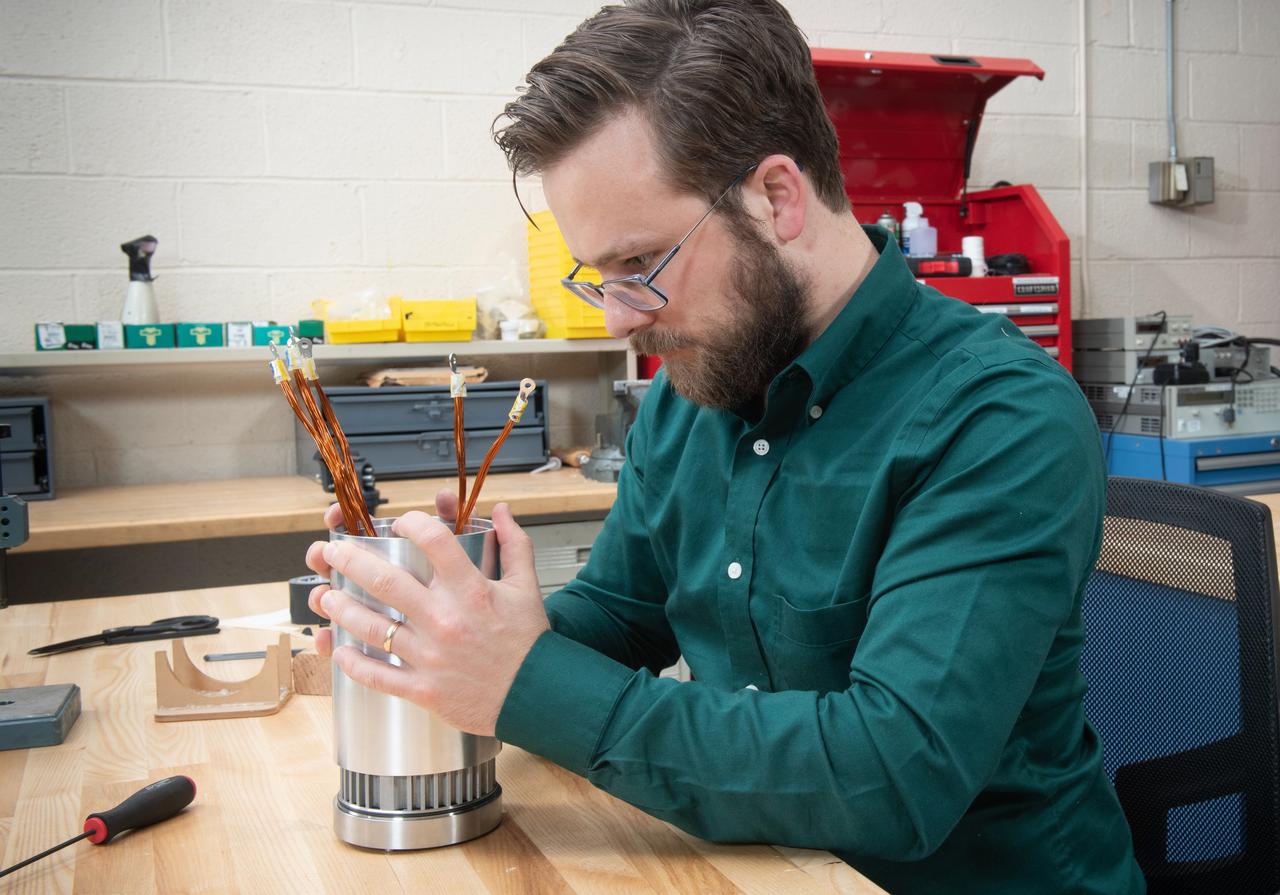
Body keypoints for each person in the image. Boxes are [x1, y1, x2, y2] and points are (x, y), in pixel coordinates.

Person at [304, 1, 1145, 892]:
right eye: (598, 278)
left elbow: (893, 772)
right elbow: (627, 613)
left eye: (644, 265)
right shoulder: (692, 391)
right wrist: (455, 624)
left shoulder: (998, 417)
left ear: (777, 196)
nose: (623, 320)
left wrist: (527, 684)